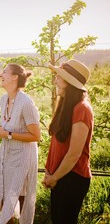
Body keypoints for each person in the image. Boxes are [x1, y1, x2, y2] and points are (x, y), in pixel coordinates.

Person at [0, 63, 41, 224]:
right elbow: (9, 125)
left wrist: (7, 134)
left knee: (19, 199)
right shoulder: (4, 100)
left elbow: (36, 135)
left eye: (4, 72)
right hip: (7, 156)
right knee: (3, 196)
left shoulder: (26, 103)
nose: (0, 75)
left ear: (15, 77)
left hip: (23, 158)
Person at [43, 59, 93, 224]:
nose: (55, 80)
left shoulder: (82, 108)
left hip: (72, 176)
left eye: (59, 76)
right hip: (61, 175)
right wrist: (49, 170)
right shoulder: (66, 105)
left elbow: (74, 154)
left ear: (69, 82)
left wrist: (55, 177)